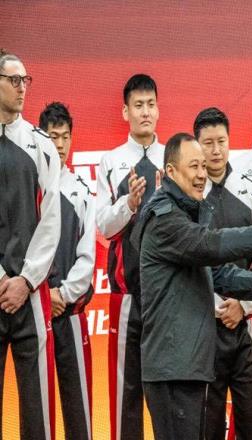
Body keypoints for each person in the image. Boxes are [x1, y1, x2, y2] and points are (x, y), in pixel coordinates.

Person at [134, 133, 252, 440]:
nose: (202, 174)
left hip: (189, 366)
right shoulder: (165, 219)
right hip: (174, 369)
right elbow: (210, 245)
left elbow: (218, 274)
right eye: (193, 166)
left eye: (203, 166)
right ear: (171, 171)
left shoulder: (185, 214)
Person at [194, 107, 252, 440]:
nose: (216, 150)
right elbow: (187, 262)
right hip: (203, 330)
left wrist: (245, 305)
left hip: (245, 327)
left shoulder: (251, 191)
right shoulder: (189, 198)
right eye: (208, 143)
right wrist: (216, 307)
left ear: (230, 141)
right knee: (207, 424)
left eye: (221, 141)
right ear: (197, 146)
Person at [96, 74, 164, 440]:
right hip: (127, 295)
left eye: (151, 104)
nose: (145, 112)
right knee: (127, 392)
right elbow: (103, 227)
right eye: (138, 105)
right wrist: (129, 203)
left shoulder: (173, 158)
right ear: (125, 112)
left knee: (167, 390)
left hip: (167, 294)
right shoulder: (111, 162)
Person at [0, 49, 61, 439]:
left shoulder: (42, 145)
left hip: (31, 295)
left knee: (37, 410)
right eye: (13, 80)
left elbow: (52, 220)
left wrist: (25, 279)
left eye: (26, 80)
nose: (22, 87)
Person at [39, 102, 95, 440]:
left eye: (65, 137)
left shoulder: (81, 192)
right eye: (52, 137)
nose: (59, 144)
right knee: (38, 408)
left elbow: (87, 258)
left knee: (79, 409)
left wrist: (62, 294)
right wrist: (44, 295)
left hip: (70, 313)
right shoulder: (31, 186)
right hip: (35, 311)